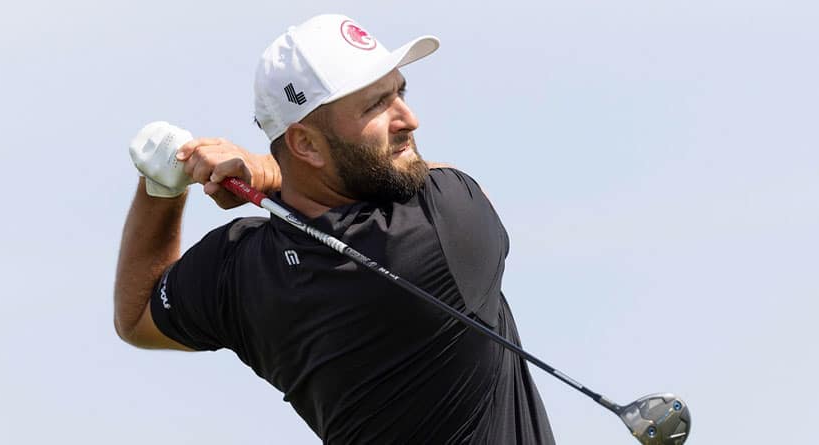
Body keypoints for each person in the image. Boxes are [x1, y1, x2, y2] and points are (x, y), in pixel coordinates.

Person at [116, 14, 556, 444]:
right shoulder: (444, 225)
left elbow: (136, 318)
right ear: (304, 143)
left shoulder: (240, 275)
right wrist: (264, 173)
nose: (408, 118)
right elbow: (445, 178)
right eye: (376, 105)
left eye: (398, 93)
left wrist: (161, 187)